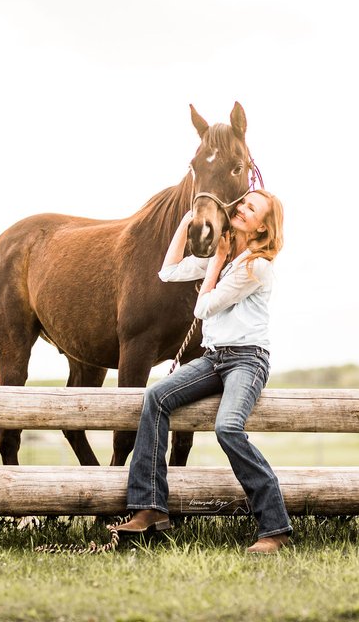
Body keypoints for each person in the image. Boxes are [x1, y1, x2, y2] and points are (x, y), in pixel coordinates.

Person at [111, 190, 291, 554]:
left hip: (247, 359)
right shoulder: (222, 258)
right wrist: (186, 221)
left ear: (262, 228)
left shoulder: (255, 266)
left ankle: (275, 528)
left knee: (227, 426)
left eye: (251, 208)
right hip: (214, 358)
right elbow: (169, 270)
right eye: (243, 203)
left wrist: (217, 260)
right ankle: (149, 508)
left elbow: (203, 308)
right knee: (156, 397)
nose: (241, 208)